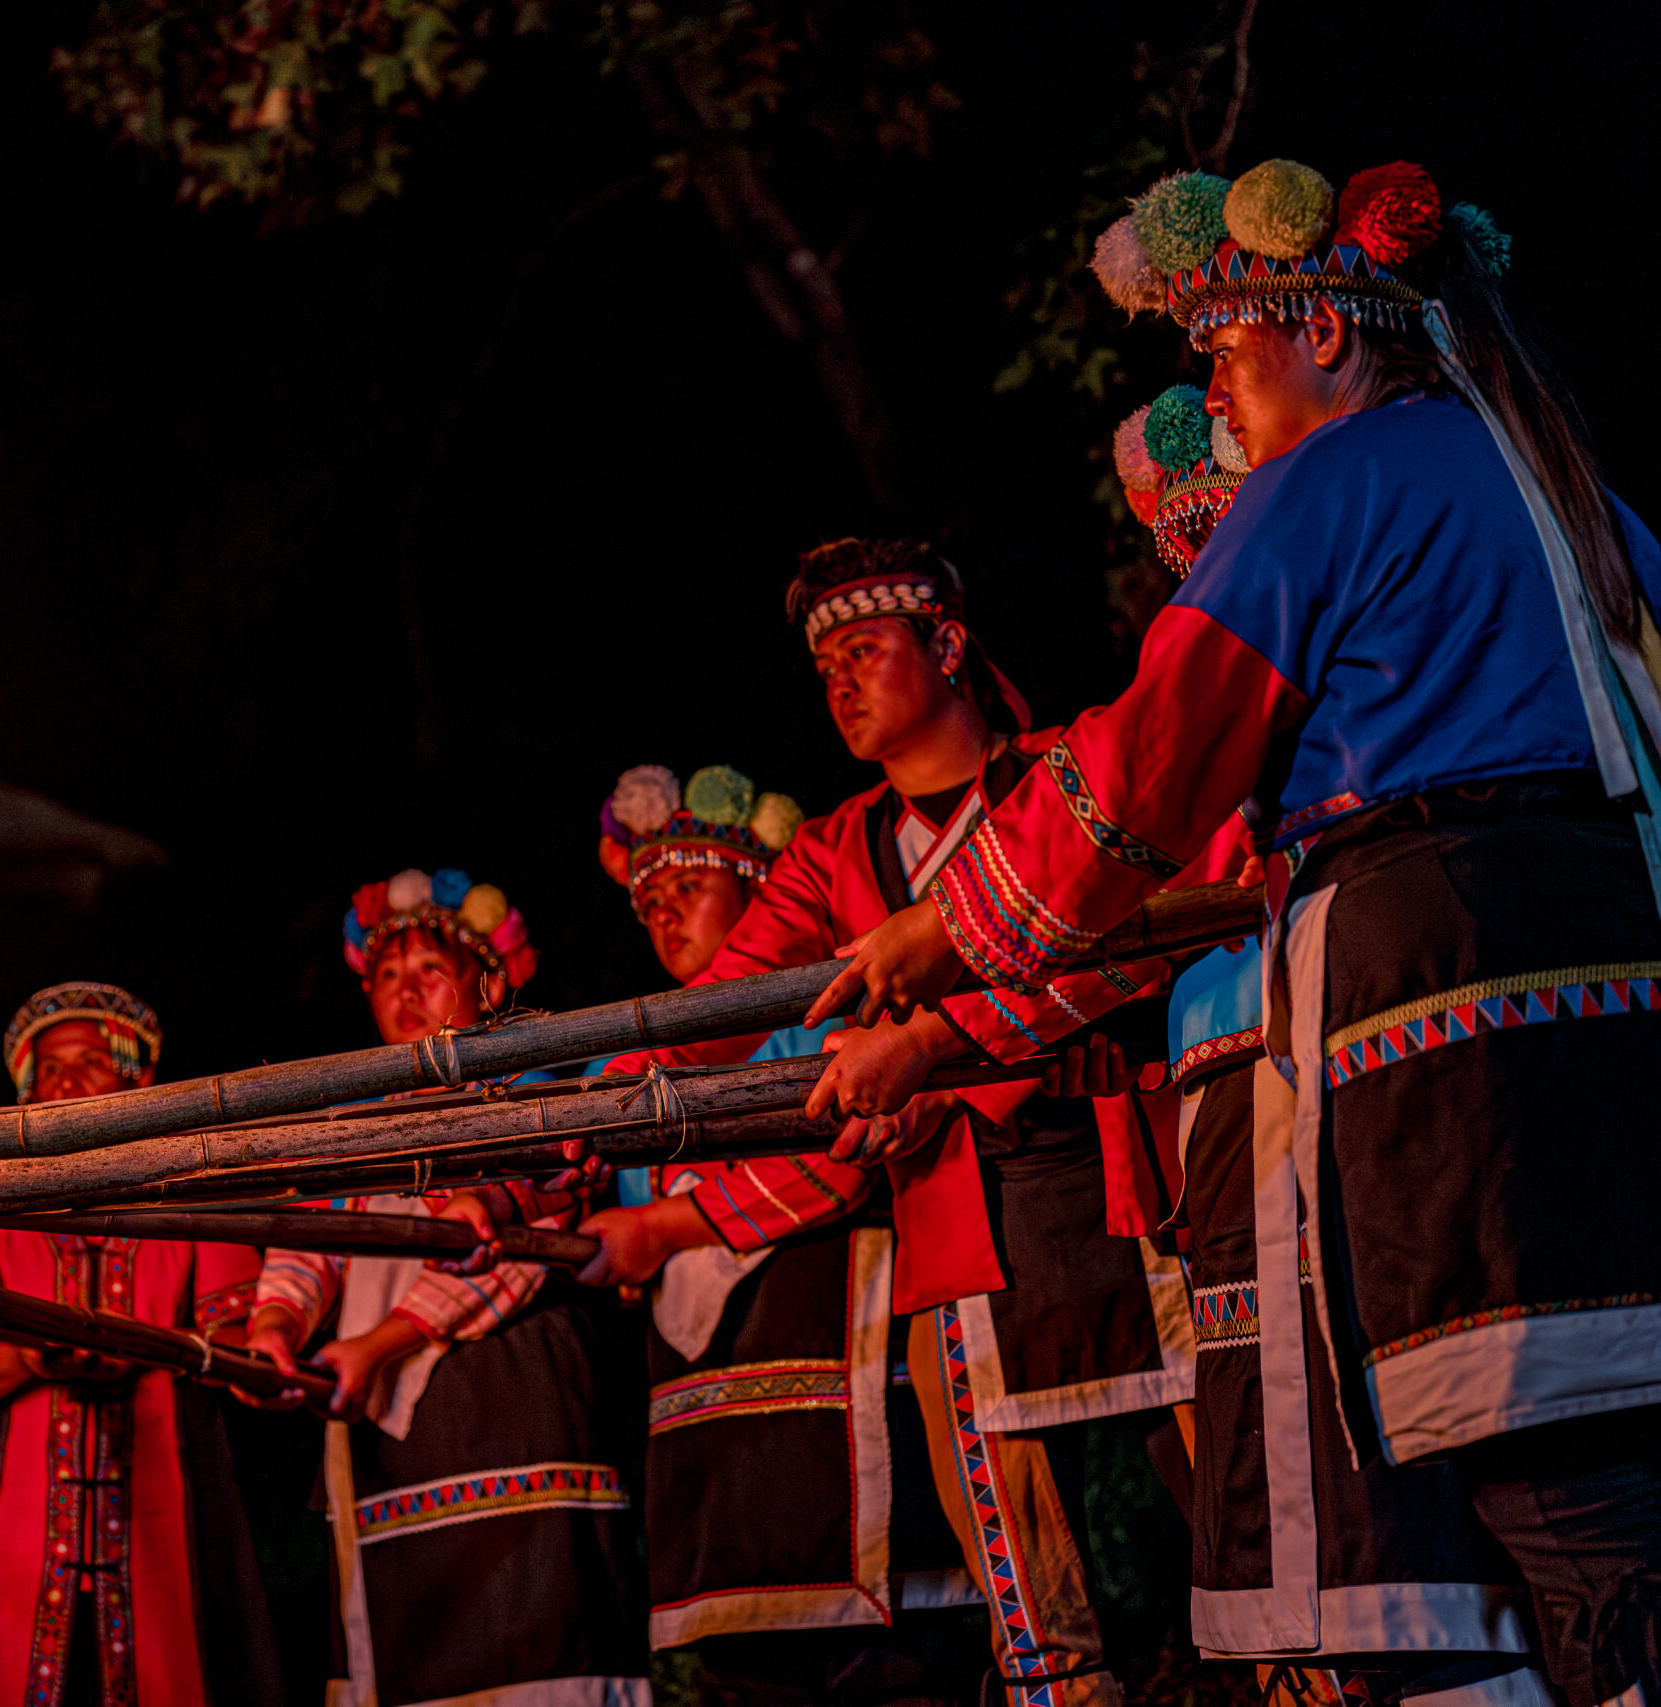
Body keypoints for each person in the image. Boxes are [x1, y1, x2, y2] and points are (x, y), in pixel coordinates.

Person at [814, 158, 1661, 1707]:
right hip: (1612, 991)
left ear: (1323, 329)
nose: (1214, 392)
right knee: (1599, 1495)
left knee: (1542, 1503)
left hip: (1442, 1006)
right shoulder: (1570, 489)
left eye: (1223, 348)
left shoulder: (1331, 481)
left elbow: (1154, 759)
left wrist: (954, 926)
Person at [593, 544, 1198, 1707]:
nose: (839, 683)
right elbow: (728, 1002)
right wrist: (587, 1106)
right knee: (1036, 1621)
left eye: (862, 650)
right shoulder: (834, 848)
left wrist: (933, 1045)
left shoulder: (1064, 771)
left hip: (1128, 1194)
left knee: (1240, 1520)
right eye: (822, 666)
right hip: (962, 1224)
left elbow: (1145, 932)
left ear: (948, 644)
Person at [1116, 385, 1552, 1707]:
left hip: (1365, 1065)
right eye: (1185, 549)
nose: (1209, 571)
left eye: (1225, 538)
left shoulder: (1360, 688)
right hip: (1240, 1113)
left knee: (1430, 1507)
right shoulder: (1197, 720)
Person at [585, 763, 988, 1705]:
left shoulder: (830, 1020)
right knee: (747, 1672)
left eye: (690, 885)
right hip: (718, 1464)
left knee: (891, 1673)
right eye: (648, 902)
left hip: (841, 1400)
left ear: (765, 893)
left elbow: (840, 1166)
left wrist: (661, 1227)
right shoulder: (649, 1070)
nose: (664, 913)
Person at [246, 869, 650, 1707]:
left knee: (533, 1649)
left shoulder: (535, 1102)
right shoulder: (348, 1123)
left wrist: (375, 1345)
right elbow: (308, 1243)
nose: (406, 990)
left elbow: (506, 1258)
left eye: (431, 969)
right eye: (388, 975)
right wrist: (275, 1329)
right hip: (375, 1418)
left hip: (508, 1399)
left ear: (488, 983)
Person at [0, 984, 279, 1707]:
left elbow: (239, 1343)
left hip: (167, 1518)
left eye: (90, 1062)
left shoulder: (193, 1190)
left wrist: (161, 1349)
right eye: (49, 1070)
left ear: (137, 1077)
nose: (65, 1084)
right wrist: (33, 1356)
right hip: (15, 1537)